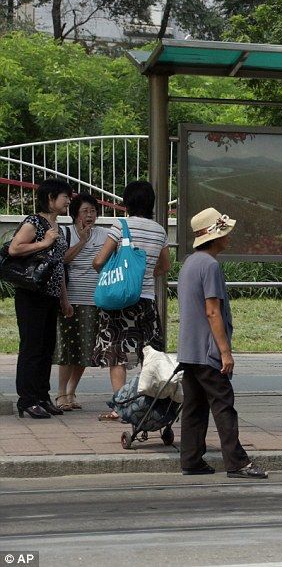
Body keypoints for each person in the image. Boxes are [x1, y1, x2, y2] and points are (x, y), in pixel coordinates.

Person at [177, 207, 267, 478]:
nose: (229, 237)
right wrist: (225, 352)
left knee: (194, 406)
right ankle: (237, 462)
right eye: (224, 233)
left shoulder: (190, 263)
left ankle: (191, 459)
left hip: (189, 350)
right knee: (223, 403)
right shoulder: (211, 265)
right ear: (214, 237)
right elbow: (212, 310)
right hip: (207, 350)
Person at [92, 180, 171, 421]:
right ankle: (149, 403)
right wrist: (144, 275)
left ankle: (120, 406)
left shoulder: (120, 225)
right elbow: (165, 266)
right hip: (145, 298)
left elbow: (99, 261)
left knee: (117, 351)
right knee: (149, 352)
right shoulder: (159, 230)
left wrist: (113, 272)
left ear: (127, 202)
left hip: (119, 301)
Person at [10, 178, 73, 419]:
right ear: (50, 198)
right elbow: (15, 248)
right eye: (64, 196)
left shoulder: (59, 226)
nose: (68, 201)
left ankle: (42, 396)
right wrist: (44, 242)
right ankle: (26, 399)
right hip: (30, 294)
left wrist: (64, 299)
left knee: (47, 348)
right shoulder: (33, 223)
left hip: (51, 296)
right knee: (32, 347)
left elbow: (59, 268)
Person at [54, 193, 109, 412]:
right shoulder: (65, 233)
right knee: (67, 348)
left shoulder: (104, 234)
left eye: (93, 211)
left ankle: (71, 392)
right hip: (71, 297)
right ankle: (59, 393)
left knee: (86, 349)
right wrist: (83, 242)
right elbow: (62, 260)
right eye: (85, 211)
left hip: (95, 299)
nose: (90, 215)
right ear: (75, 214)